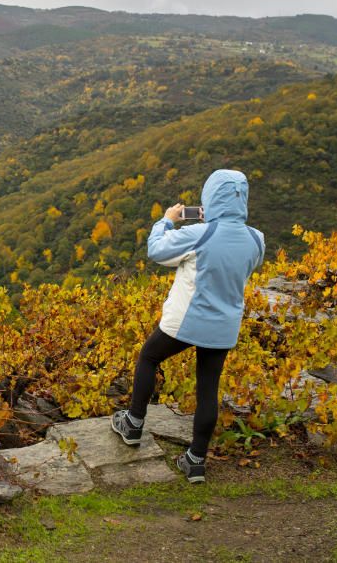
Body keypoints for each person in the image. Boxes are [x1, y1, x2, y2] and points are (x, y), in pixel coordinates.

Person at [111, 169, 264, 483]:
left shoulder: (200, 234)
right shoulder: (255, 240)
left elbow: (157, 250)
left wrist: (167, 220)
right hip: (224, 326)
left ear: (211, 196)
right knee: (208, 388)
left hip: (186, 321)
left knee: (149, 357)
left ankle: (133, 424)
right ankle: (195, 461)